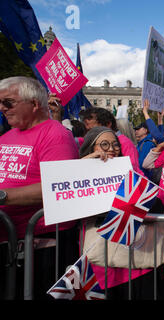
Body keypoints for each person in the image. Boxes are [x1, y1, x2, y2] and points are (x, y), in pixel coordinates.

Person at [0, 76, 79, 299]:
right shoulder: (7, 136)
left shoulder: (56, 135)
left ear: (34, 104)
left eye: (8, 102)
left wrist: (3, 196)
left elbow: (58, 187)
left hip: (41, 246)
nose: (2, 109)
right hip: (9, 243)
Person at [78, 126, 164, 299]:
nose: (112, 150)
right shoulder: (80, 175)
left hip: (133, 262)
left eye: (115, 145)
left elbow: (155, 205)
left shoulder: (130, 174)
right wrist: (85, 165)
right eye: (104, 145)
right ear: (91, 149)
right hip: (99, 264)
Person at [79, 107, 144, 176]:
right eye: (87, 131)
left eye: (94, 129)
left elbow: (135, 172)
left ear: (108, 124)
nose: (111, 149)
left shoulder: (125, 143)